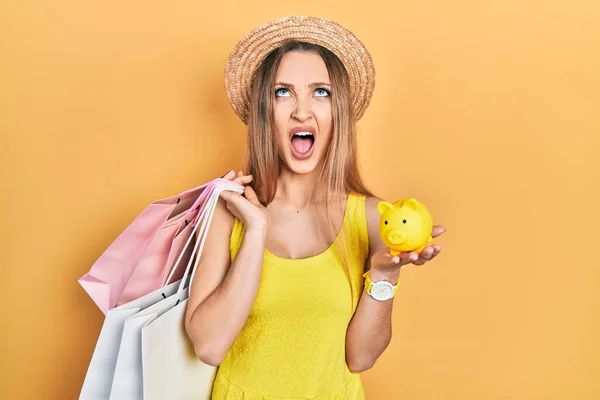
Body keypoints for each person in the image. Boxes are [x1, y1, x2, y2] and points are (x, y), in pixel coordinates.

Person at [184, 16, 445, 399]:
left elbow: (360, 358)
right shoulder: (228, 211)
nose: (302, 112)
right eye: (282, 92)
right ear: (264, 113)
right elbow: (209, 346)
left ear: (337, 111)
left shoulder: (372, 217)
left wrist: (385, 275)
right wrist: (255, 230)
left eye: (320, 92)